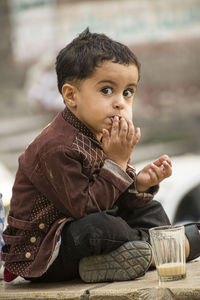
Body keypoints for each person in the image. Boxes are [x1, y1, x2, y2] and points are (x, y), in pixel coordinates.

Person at [1, 28, 200, 284]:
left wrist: (139, 184)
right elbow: (87, 210)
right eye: (107, 91)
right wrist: (117, 162)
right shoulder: (56, 147)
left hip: (88, 233)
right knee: (100, 227)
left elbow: (111, 199)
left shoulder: (99, 133)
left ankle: (123, 258)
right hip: (46, 252)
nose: (120, 103)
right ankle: (165, 249)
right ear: (71, 95)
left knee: (151, 209)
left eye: (128, 92)